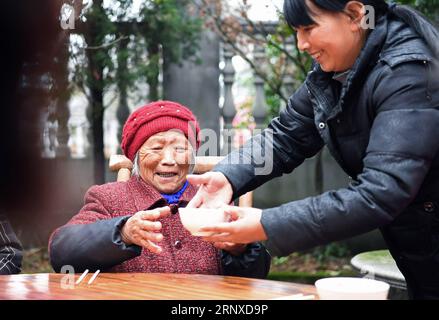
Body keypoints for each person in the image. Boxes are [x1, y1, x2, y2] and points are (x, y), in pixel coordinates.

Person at [187, 0, 439, 299]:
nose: (301, 44)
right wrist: (227, 177)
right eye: (296, 30)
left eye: (308, 28)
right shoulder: (335, 71)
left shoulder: (407, 71)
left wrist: (266, 224)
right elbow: (285, 136)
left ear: (356, 15)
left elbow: (381, 192)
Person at [49, 100, 270, 278]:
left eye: (180, 148)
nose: (169, 160)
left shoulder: (212, 200)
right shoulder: (109, 198)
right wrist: (123, 233)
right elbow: (61, 253)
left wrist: (241, 250)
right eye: (156, 148)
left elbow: (255, 277)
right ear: (136, 158)